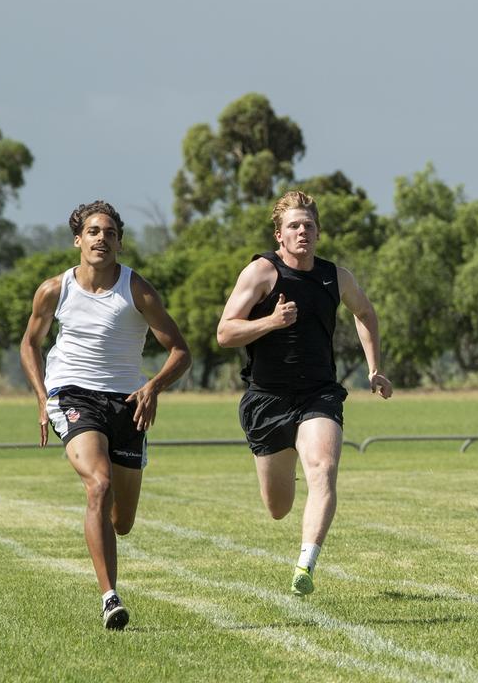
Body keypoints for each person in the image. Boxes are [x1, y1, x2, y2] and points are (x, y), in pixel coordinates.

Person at [20, 201, 192, 629]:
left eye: (110, 233)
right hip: (73, 395)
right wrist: (43, 397)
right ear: (78, 239)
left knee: (123, 521)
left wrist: (152, 386)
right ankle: (110, 598)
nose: (102, 239)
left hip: (127, 403)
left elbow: (181, 351)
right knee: (98, 485)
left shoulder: (137, 290)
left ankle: (108, 530)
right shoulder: (54, 290)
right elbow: (30, 344)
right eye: (94, 232)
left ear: (119, 241)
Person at [216, 190, 392, 596]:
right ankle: (286, 456)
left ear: (318, 232)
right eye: (293, 226)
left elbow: (364, 313)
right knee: (278, 507)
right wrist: (272, 322)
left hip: (318, 393)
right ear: (279, 234)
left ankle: (305, 564)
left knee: (323, 469)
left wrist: (375, 368)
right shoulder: (261, 272)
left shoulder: (336, 276)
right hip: (267, 399)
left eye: (308, 225)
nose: (302, 232)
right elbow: (225, 332)